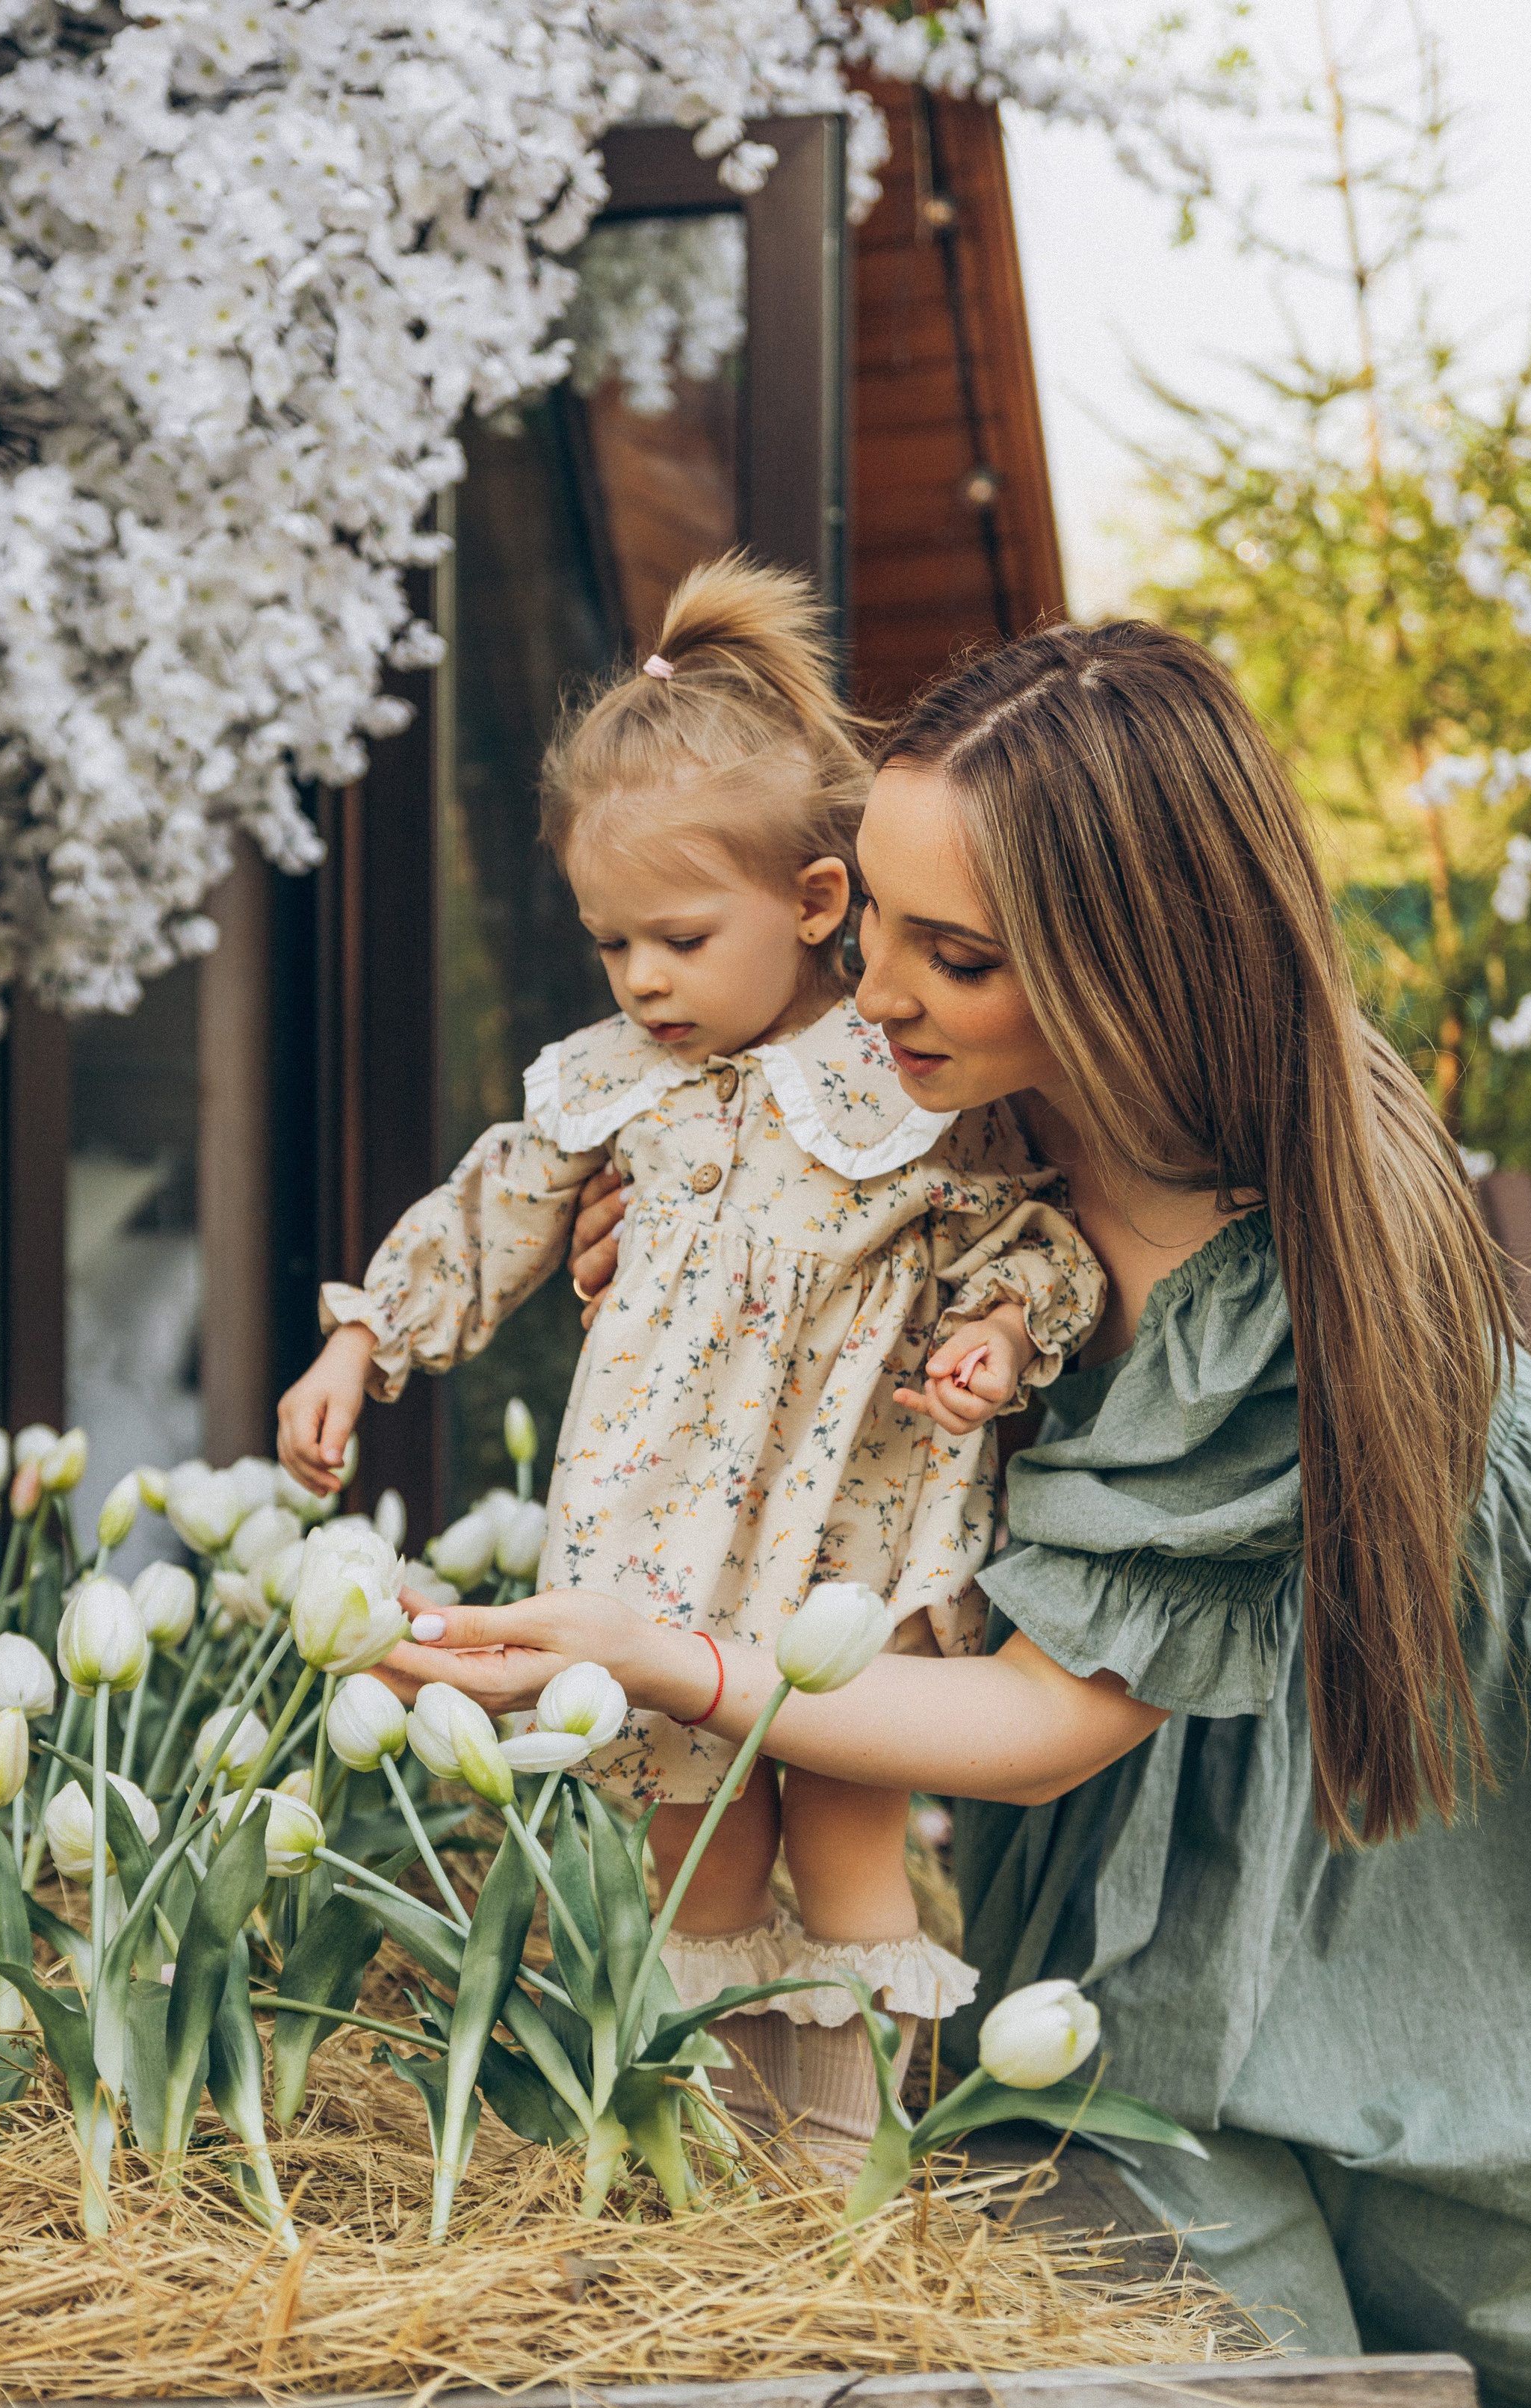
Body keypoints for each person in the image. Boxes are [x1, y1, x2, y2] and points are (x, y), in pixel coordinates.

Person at [386, 617, 1531, 2408]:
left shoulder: (1268, 1265)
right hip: (1135, 1793)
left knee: (1401, 2312)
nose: (870, 991)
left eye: (951, 957)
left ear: (1131, 976)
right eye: (864, 917)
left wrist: (674, 1662)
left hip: (1396, 1799)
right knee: (1111, 2275)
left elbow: (1042, 1721)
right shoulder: (939, 1113)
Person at [279, 555, 1104, 2173]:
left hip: (843, 1538)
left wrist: (1001, 1333)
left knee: (851, 1836)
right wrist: (360, 1336)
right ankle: (709, 2173)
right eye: (610, 945)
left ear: (810, 903)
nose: (642, 979)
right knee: (693, 1854)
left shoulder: (903, 1077)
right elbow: (495, 1201)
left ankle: (852, 2184)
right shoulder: (610, 1085)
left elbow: (1022, 1236)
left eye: (675, 936)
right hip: (660, 1543)